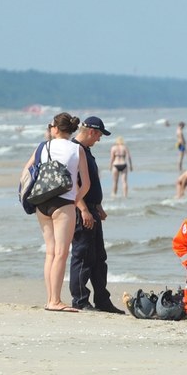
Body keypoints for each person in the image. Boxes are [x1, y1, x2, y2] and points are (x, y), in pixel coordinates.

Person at [22, 113, 90, 312]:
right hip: (64, 202)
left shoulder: (43, 146)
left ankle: (50, 299)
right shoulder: (77, 149)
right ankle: (55, 301)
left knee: (50, 252)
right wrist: (75, 200)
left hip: (41, 202)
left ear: (55, 129)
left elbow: (26, 172)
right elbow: (85, 183)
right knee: (61, 253)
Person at [69, 116, 123, 313]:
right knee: (82, 256)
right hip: (81, 210)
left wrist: (97, 205)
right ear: (91, 131)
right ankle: (80, 300)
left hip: (92, 208)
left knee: (99, 257)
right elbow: (73, 183)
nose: (99, 139)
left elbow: (89, 182)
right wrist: (83, 209)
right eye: (99, 134)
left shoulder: (86, 151)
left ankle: (102, 300)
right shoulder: (75, 150)